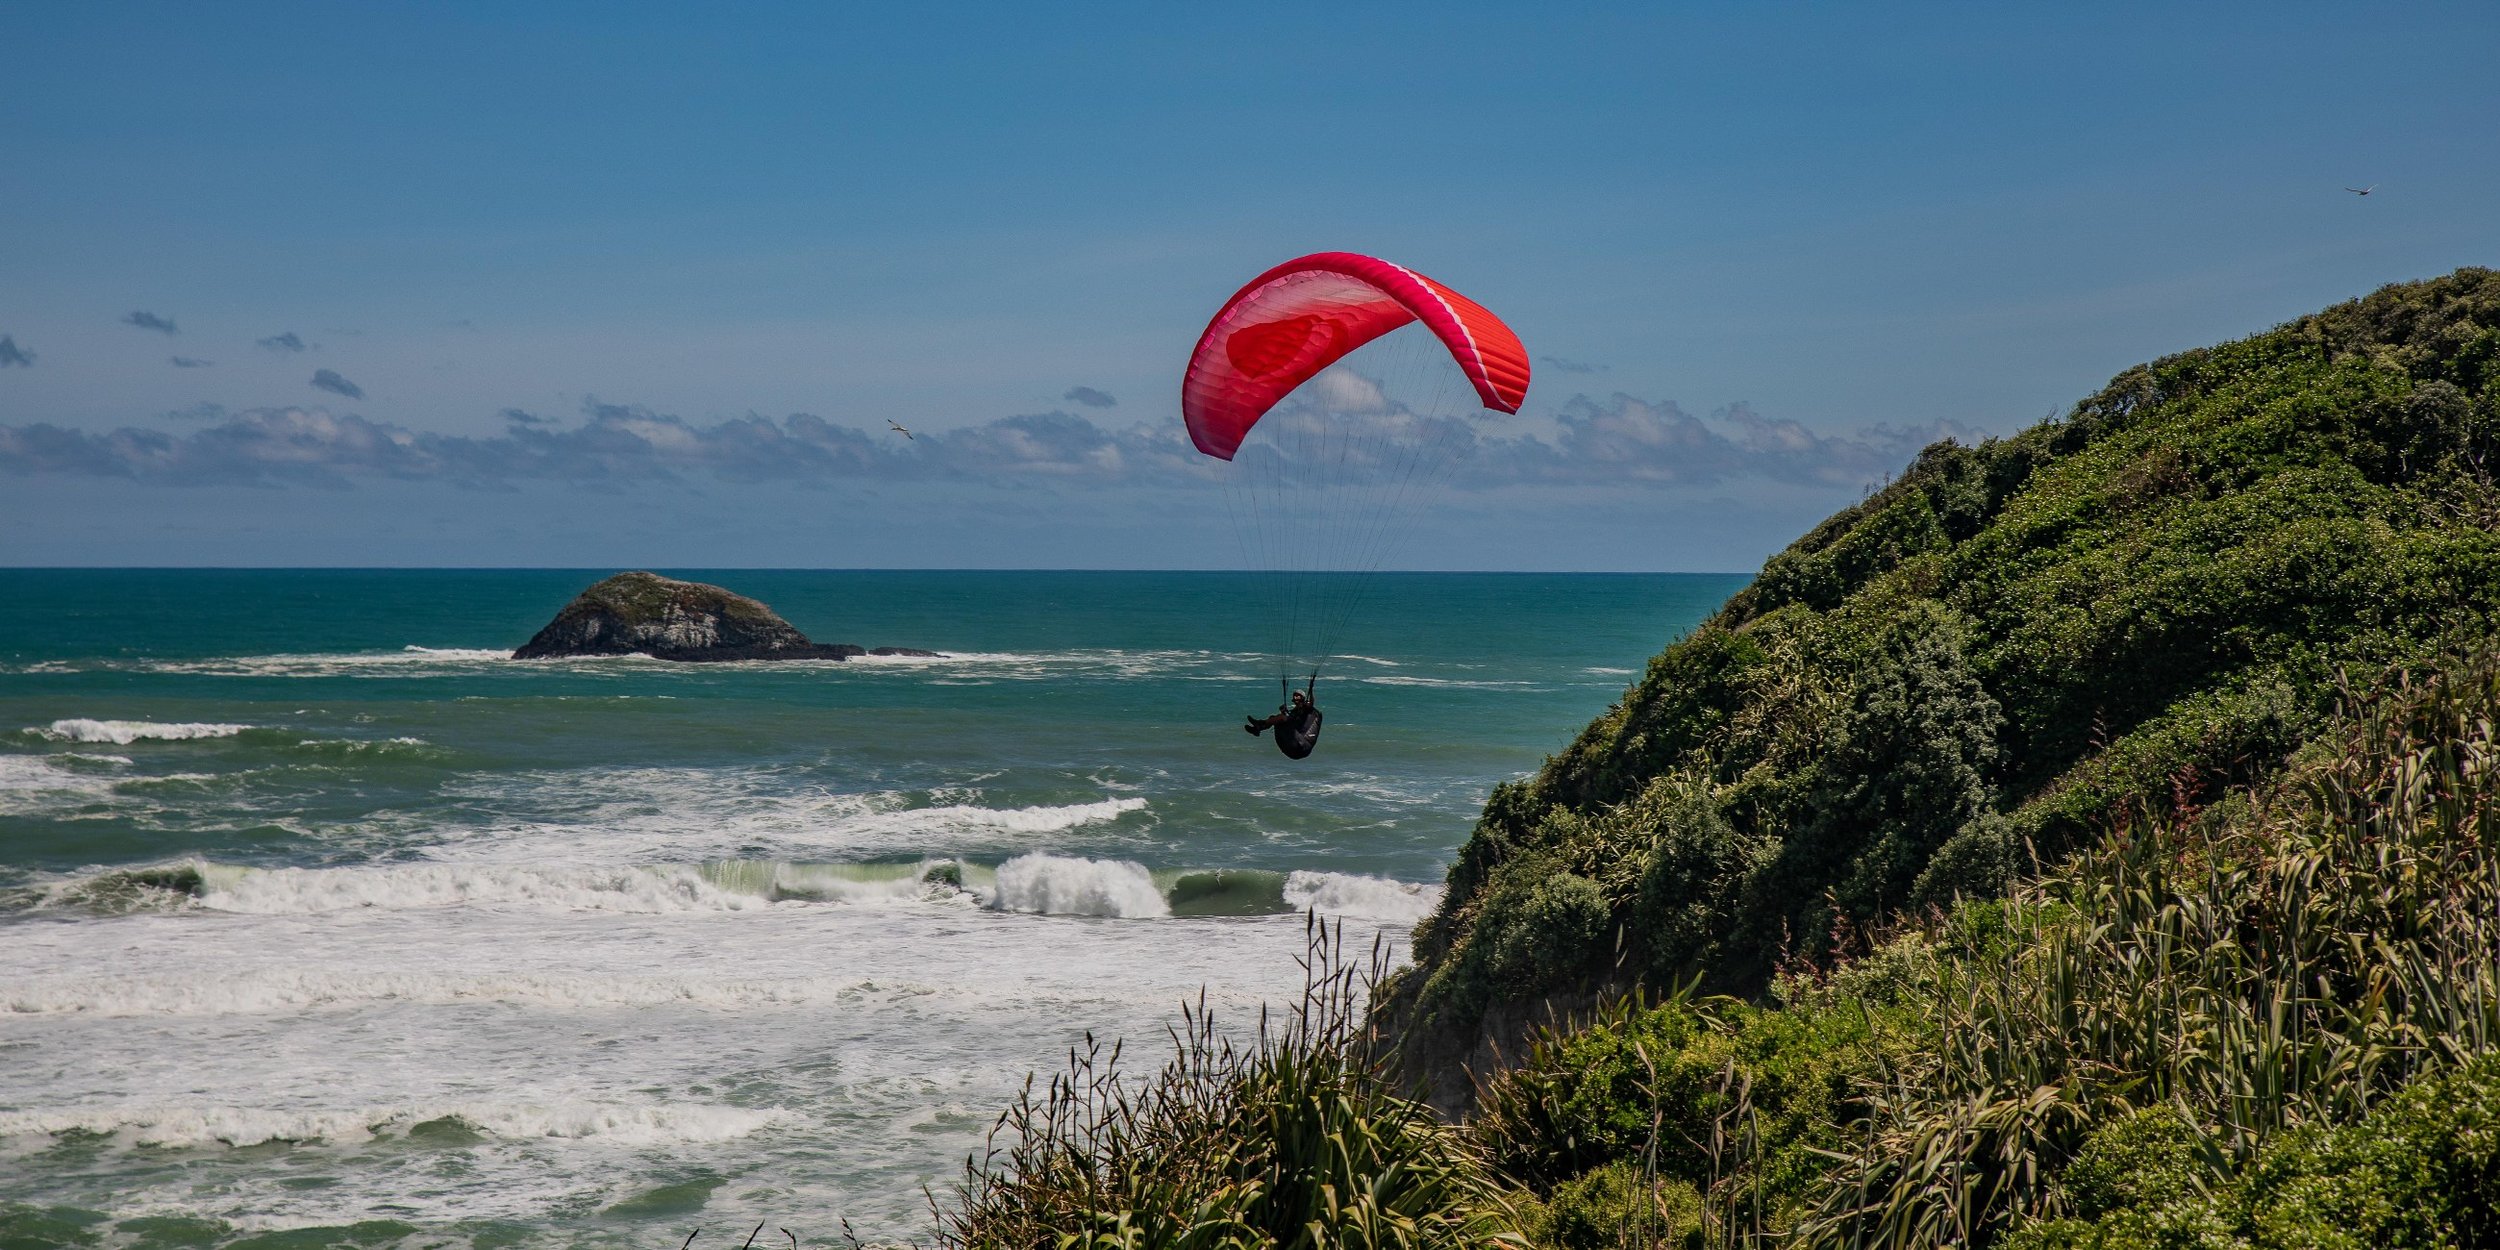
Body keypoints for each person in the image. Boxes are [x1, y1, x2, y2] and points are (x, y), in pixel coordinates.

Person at [1244, 686, 1323, 759]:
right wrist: (1283, 712)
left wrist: (1311, 689)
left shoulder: (1306, 707)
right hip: (1291, 749)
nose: (1295, 697)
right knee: (1274, 718)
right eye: (1294, 696)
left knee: (1283, 718)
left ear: (1302, 697)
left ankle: (1259, 726)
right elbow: (1291, 722)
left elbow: (1311, 703)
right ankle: (1257, 729)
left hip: (1302, 746)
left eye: (1298, 695)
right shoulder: (1294, 712)